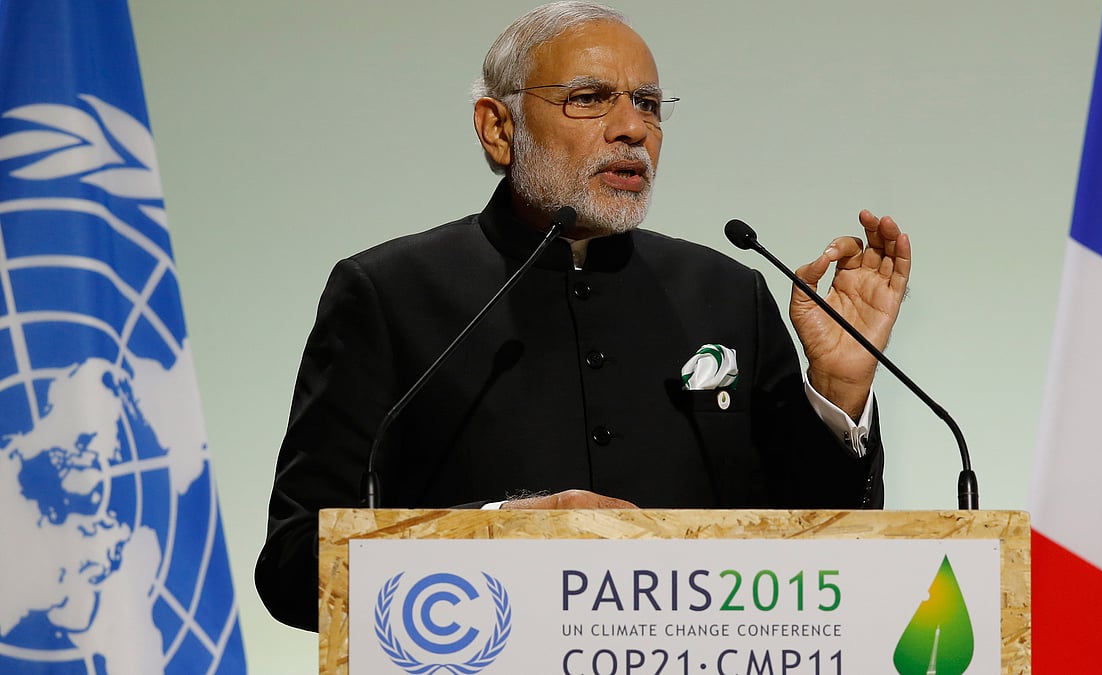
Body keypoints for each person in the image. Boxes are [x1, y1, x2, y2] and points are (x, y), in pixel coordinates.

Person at [255, 0, 910, 632]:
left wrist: (840, 391)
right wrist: (497, 535)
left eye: (649, 105)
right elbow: (294, 566)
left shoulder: (728, 293)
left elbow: (823, 554)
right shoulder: (389, 294)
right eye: (590, 97)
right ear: (498, 126)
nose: (633, 129)